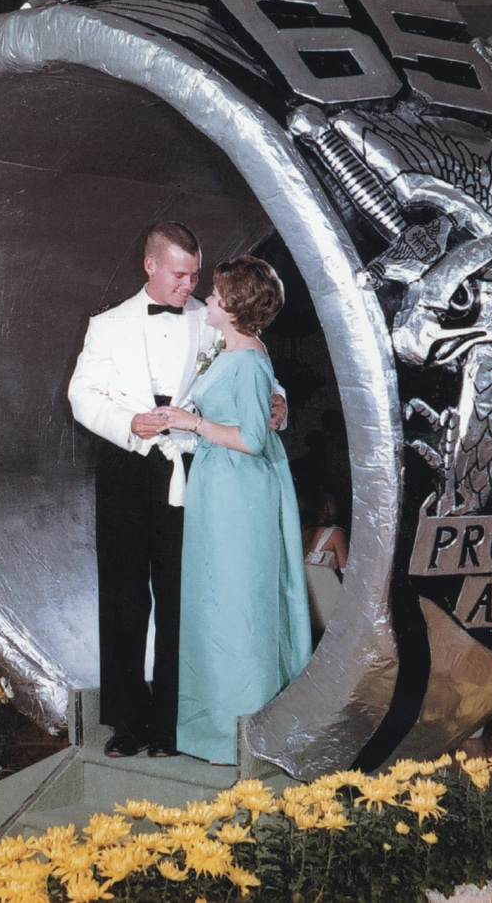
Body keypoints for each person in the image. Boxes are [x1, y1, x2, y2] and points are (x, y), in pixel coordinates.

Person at [68, 223, 285, 759]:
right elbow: (81, 394)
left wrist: (281, 403)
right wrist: (128, 422)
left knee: (181, 599)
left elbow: (256, 369)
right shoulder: (107, 325)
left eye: (195, 275)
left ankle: (172, 725)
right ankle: (127, 723)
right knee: (122, 598)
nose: (189, 285)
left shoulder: (213, 319)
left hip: (195, 472)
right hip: (126, 468)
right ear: (151, 266)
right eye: (180, 274)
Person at [159, 256, 312, 765]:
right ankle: (215, 726)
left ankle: (239, 732)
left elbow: (249, 436)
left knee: (237, 606)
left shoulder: (245, 357)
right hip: (220, 490)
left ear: (234, 305)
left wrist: (191, 422)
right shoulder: (240, 349)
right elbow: (264, 399)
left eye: (218, 294)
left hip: (237, 493)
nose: (209, 299)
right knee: (217, 603)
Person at [298, 488, 348, 638]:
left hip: (303, 611)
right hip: (329, 609)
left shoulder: (295, 535)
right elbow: (348, 573)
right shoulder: (334, 534)